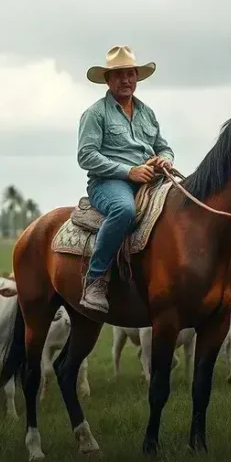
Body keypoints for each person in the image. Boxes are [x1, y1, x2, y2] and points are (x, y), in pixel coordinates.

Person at [76, 45, 175, 313]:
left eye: (130, 74)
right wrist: (128, 171)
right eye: (118, 75)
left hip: (150, 178)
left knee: (185, 206)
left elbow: (163, 146)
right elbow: (86, 156)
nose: (125, 80)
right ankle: (95, 279)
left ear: (137, 78)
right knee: (123, 209)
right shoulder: (96, 113)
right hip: (108, 183)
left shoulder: (147, 113)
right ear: (108, 80)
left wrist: (165, 159)